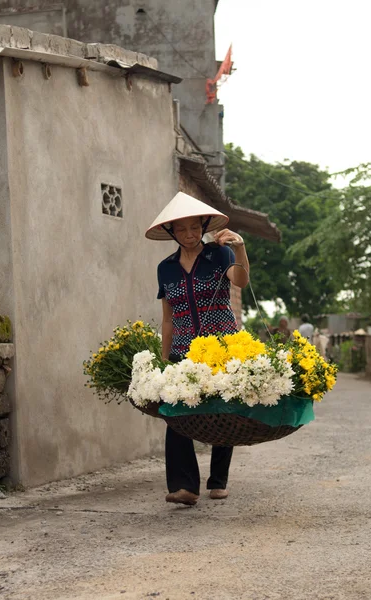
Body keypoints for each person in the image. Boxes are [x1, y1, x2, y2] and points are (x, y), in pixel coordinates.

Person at [145, 192, 250, 506]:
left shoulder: (219, 255)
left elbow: (241, 282)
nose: (189, 235)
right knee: (175, 413)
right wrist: (164, 360)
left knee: (223, 412)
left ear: (203, 227)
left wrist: (240, 249)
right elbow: (167, 319)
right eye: (181, 230)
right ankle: (184, 486)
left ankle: (218, 480)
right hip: (182, 349)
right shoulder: (166, 268)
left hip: (221, 345)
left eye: (194, 228)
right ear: (171, 233)